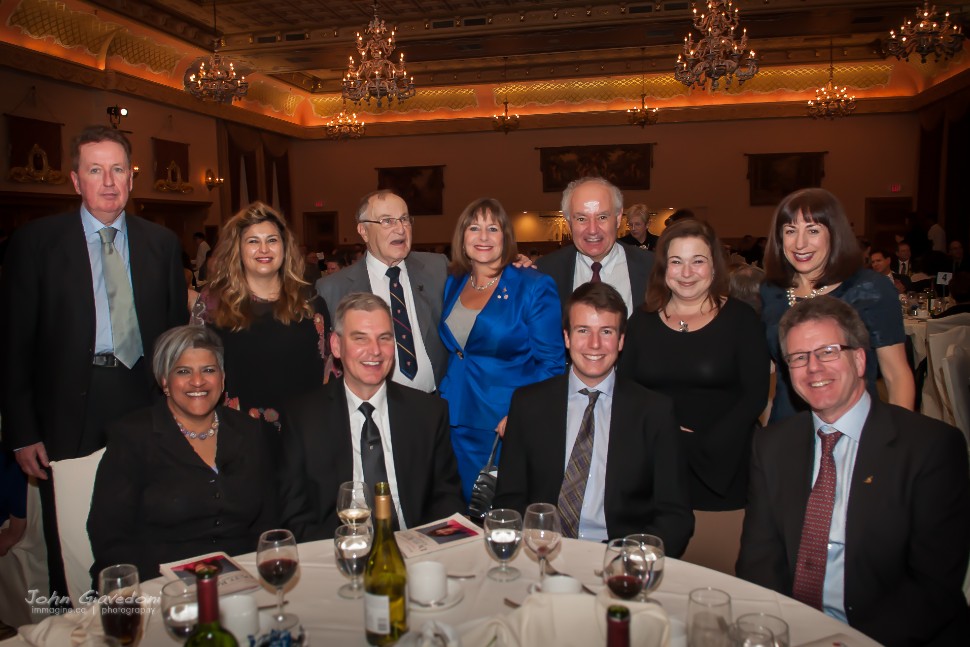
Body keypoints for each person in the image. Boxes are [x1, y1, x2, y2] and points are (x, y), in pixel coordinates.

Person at [0, 125, 186, 600]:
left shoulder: (161, 245)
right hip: (66, 409)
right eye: (95, 170)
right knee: (73, 537)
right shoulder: (36, 244)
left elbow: (174, 340)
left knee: (148, 518)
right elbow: (13, 346)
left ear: (132, 178)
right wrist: (22, 432)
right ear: (74, 180)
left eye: (118, 169)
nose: (108, 181)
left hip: (144, 402)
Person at [736, 296, 970, 645]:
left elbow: (934, 587)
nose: (813, 367)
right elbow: (759, 561)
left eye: (828, 351)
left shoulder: (930, 448)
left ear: (859, 359)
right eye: (799, 358)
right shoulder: (771, 445)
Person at [493, 283, 694, 556]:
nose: (595, 344)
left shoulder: (655, 411)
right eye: (583, 330)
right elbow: (509, 499)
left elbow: (675, 515)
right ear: (566, 337)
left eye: (607, 332)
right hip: (541, 551)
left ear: (621, 340)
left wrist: (631, 560)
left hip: (620, 558)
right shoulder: (528, 404)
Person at [617, 220, 769, 572]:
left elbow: (755, 395)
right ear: (663, 268)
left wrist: (702, 443)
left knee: (716, 579)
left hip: (721, 467)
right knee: (656, 582)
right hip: (655, 469)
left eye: (697, 261)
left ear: (714, 265)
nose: (686, 273)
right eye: (676, 262)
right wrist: (662, 441)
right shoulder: (641, 322)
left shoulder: (740, 319)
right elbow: (627, 392)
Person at [87, 325, 280, 580]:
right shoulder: (132, 438)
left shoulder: (250, 432)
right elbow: (110, 537)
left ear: (222, 379)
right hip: (158, 583)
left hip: (243, 579)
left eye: (208, 370)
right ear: (165, 381)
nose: (197, 381)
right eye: (183, 371)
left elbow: (269, 521)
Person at [278, 293, 464, 540]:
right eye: (360, 338)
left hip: (416, 549)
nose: (375, 351)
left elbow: (447, 498)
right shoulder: (303, 418)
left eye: (384, 338)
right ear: (336, 345)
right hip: (338, 552)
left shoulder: (428, 412)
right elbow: (294, 515)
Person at [438, 198, 565, 502]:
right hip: (453, 414)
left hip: (502, 422)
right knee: (460, 510)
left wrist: (522, 414)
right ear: (462, 237)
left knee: (500, 513)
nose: (483, 237)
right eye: (474, 228)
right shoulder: (454, 282)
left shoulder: (533, 286)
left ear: (505, 237)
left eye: (492, 228)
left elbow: (552, 364)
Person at [760, 188, 913, 422]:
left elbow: (896, 374)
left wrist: (896, 444)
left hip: (857, 429)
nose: (800, 243)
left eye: (813, 230)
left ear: (834, 234)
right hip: (788, 428)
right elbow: (773, 362)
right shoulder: (772, 290)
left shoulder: (870, 288)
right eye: (790, 231)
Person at [192, 203, 330, 429]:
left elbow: (328, 370)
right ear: (238, 249)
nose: (264, 249)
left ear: (285, 247)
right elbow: (195, 370)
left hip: (304, 431)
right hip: (236, 433)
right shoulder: (213, 303)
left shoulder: (310, 302)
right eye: (253, 241)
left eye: (272, 240)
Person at [316, 191, 447, 393]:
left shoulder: (438, 269)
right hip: (372, 410)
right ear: (363, 231)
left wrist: (512, 271)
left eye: (405, 219)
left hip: (436, 405)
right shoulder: (333, 288)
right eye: (387, 221)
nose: (401, 229)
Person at [536, 177, 654, 313]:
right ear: (569, 223)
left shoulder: (653, 268)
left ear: (618, 218)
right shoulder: (545, 271)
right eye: (581, 219)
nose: (592, 230)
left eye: (602, 217)